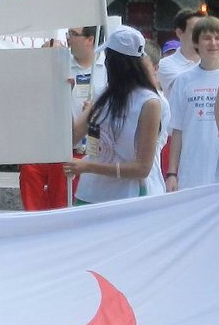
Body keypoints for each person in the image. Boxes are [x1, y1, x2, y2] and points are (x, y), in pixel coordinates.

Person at [63, 26, 167, 203]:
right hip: (89, 194)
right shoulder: (103, 94)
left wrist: (88, 166)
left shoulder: (150, 102)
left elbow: (142, 168)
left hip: (126, 199)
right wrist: (64, 98)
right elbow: (72, 137)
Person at [18, 26, 103, 211]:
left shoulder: (105, 69)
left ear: (90, 39)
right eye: (68, 34)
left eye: (73, 34)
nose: (69, 39)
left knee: (68, 209)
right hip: (56, 149)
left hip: (90, 150)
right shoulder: (61, 65)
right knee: (46, 207)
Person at [164, 16, 219, 190]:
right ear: (196, 43)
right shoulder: (183, 81)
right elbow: (177, 130)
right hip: (191, 171)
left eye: (218, 38)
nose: (213, 43)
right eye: (207, 38)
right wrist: (172, 173)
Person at [157, 8, 202, 89]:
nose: (201, 34)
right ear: (179, 33)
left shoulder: (210, 62)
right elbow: (185, 87)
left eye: (203, 30)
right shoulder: (165, 64)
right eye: (195, 30)